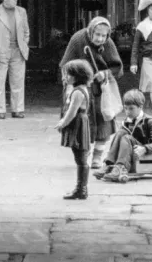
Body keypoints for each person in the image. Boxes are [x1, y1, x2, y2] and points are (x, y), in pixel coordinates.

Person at [59, 16, 124, 168]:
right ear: (91, 31)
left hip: (101, 90)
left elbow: (118, 68)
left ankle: (97, 156)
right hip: (82, 89)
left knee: (103, 122)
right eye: (98, 35)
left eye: (104, 36)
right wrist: (69, 86)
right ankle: (84, 154)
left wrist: (105, 74)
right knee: (83, 123)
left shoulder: (108, 43)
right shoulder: (78, 39)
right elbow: (65, 65)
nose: (100, 39)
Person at [95, 89, 152, 183]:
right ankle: (108, 164)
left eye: (131, 108)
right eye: (125, 108)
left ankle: (121, 167)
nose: (127, 112)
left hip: (145, 156)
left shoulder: (150, 121)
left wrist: (145, 148)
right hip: (131, 155)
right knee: (120, 133)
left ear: (140, 106)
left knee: (126, 137)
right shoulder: (127, 120)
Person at [55, 59, 94, 200]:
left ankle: (81, 189)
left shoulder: (78, 92)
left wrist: (62, 123)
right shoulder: (79, 89)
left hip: (78, 124)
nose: (65, 77)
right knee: (80, 156)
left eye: (68, 75)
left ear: (78, 75)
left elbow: (72, 112)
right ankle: (81, 188)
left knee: (81, 157)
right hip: (78, 123)